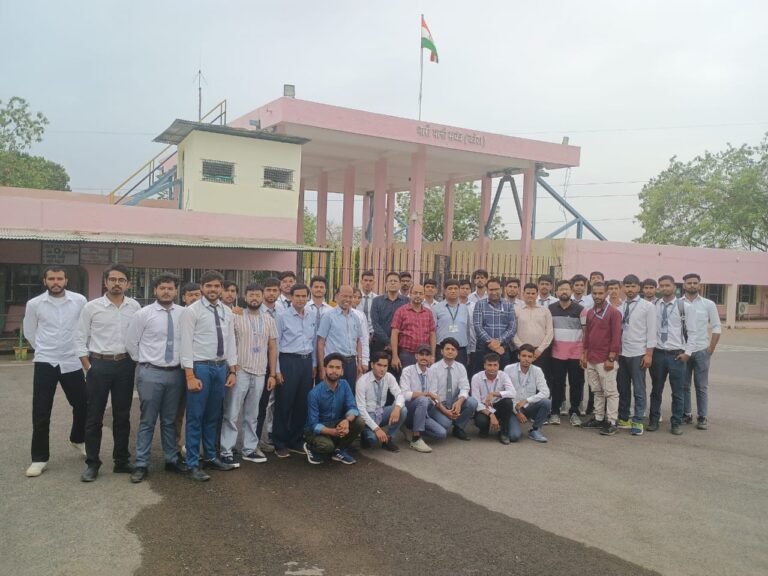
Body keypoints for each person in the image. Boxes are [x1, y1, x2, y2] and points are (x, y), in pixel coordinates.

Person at [76, 264, 141, 482]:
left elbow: (139, 335)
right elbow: (80, 337)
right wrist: (88, 366)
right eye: (112, 279)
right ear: (105, 282)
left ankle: (121, 460)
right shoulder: (92, 307)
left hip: (125, 365)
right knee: (94, 416)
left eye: (121, 280)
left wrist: (135, 361)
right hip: (99, 365)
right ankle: (92, 463)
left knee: (122, 416)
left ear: (128, 283)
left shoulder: (134, 306)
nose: (116, 283)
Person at [23, 266, 88, 478]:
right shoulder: (34, 304)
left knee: (83, 404)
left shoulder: (79, 301)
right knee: (41, 412)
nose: (56, 282)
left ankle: (78, 439)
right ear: (45, 281)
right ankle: (39, 459)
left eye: (59, 278)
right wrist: (44, 348)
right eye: (51, 278)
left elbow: (84, 328)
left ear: (66, 280)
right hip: (46, 362)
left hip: (72, 361)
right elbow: (29, 331)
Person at [125, 272, 186, 483]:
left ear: (176, 291)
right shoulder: (143, 314)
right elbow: (131, 343)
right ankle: (142, 463)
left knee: (170, 420)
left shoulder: (184, 314)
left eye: (170, 288)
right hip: (151, 373)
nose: (166, 292)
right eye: (162, 288)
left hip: (176, 374)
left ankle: (171, 459)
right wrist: (145, 362)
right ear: (155, 290)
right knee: (147, 420)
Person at [179, 270, 238, 482]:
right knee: (196, 416)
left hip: (220, 368)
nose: (213, 289)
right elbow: (185, 343)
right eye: (209, 286)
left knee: (213, 415)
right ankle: (193, 462)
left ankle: (211, 456)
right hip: (200, 368)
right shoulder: (192, 311)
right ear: (202, 288)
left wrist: (232, 370)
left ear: (221, 288)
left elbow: (230, 341)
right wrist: (190, 375)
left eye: (217, 286)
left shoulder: (227, 311)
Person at [220, 283, 278, 465]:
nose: (254, 298)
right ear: (245, 297)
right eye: (251, 295)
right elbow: (229, 344)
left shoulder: (269, 319)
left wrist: (272, 374)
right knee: (232, 412)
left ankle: (249, 449)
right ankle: (226, 450)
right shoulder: (235, 316)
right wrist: (232, 368)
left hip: (260, 372)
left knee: (253, 414)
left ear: (262, 297)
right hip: (240, 371)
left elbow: (272, 347)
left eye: (257, 295)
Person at [648, 275, 698, 435]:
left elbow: (693, 332)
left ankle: (676, 423)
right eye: (661, 286)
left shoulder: (685, 307)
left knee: (678, 392)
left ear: (674, 287)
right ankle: (653, 420)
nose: (664, 288)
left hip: (676, 355)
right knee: (656, 389)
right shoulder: (653, 305)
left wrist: (687, 353)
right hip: (658, 354)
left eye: (667, 285)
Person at [274, 283, 317, 457]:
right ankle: (280, 442)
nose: (300, 299)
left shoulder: (312, 315)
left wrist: (314, 364)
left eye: (303, 296)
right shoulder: (282, 316)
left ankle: (296, 440)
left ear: (308, 297)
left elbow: (314, 342)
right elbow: (276, 345)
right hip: (288, 361)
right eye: (297, 296)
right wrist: (277, 370)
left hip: (306, 362)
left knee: (302, 403)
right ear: (291, 297)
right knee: (284, 402)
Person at [304, 353, 364, 465]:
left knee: (359, 422)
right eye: (331, 367)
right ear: (325, 369)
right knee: (327, 446)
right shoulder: (314, 393)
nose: (334, 371)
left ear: (342, 371)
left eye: (338, 368)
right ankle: (310, 447)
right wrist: (333, 432)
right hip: (317, 430)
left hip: (336, 424)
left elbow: (352, 407)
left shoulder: (345, 385)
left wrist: (346, 421)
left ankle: (339, 450)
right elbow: (313, 425)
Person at [616, 274, 657, 436]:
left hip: (639, 353)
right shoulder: (620, 307)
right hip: (622, 353)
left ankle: (638, 420)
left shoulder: (648, 307)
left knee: (639, 389)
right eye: (627, 286)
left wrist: (649, 354)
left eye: (633, 286)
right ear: (623, 288)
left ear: (639, 288)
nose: (630, 289)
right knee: (623, 388)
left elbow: (652, 332)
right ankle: (624, 417)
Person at [580, 282, 623, 436]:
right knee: (597, 390)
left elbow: (616, 337)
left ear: (606, 294)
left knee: (610, 392)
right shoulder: (590, 312)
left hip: (605, 359)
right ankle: (598, 418)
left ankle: (612, 421)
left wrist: (611, 358)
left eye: (600, 293)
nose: (597, 296)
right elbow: (587, 335)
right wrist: (584, 354)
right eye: (595, 293)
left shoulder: (614, 313)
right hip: (592, 358)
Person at [681, 273, 721, 430]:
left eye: (694, 283)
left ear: (699, 285)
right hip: (684, 351)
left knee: (701, 386)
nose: (692, 285)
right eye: (689, 283)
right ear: (684, 285)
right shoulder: (678, 304)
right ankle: (686, 414)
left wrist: (711, 348)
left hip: (701, 351)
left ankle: (702, 416)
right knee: (684, 385)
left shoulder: (708, 304)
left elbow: (716, 326)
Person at [548, 280, 585, 426]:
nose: (564, 291)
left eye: (567, 289)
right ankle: (555, 412)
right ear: (556, 292)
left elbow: (586, 332)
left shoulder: (580, 310)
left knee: (576, 384)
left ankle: (574, 412)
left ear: (571, 291)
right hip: (557, 354)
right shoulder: (551, 309)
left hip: (576, 354)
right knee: (557, 384)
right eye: (561, 289)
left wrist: (584, 353)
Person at [427, 337, 477, 440]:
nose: (450, 351)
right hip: (438, 404)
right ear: (442, 351)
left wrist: (459, 402)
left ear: (457, 353)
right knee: (446, 424)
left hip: (454, 401)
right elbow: (432, 394)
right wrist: (445, 411)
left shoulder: (461, 367)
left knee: (472, 402)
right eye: (447, 349)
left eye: (453, 349)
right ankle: (438, 419)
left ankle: (458, 427)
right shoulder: (434, 369)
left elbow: (465, 387)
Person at [317, 285, 365, 392]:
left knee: (349, 393)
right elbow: (321, 342)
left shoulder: (355, 317)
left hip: (351, 364)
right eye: (344, 296)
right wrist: (322, 367)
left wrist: (359, 363)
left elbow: (358, 341)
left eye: (350, 297)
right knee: (332, 393)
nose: (347, 299)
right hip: (334, 364)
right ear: (337, 297)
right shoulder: (328, 316)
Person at [355, 352, 406, 452]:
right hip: (368, 415)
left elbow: (400, 394)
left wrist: (397, 408)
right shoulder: (362, 381)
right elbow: (361, 410)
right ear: (372, 365)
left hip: (381, 413)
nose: (382, 369)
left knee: (402, 410)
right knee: (372, 440)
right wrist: (377, 429)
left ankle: (388, 439)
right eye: (379, 365)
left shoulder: (389, 377)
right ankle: (365, 435)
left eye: (385, 366)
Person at [503, 344, 551, 443]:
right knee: (514, 436)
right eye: (524, 356)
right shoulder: (509, 369)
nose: (526, 359)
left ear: (533, 358)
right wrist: (517, 412)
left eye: (529, 356)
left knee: (546, 402)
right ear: (518, 356)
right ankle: (504, 425)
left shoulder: (537, 370)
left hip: (528, 406)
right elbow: (505, 393)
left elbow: (546, 392)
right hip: (512, 408)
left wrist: (527, 401)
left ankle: (535, 430)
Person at [176, 282, 201, 458]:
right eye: (190, 295)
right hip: (178, 369)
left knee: (197, 412)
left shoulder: (207, 314)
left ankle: (194, 447)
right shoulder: (177, 314)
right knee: (177, 411)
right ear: (184, 297)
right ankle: (175, 448)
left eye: (197, 294)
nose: (194, 298)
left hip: (199, 368)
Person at [256, 277, 281, 452]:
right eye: (268, 290)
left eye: (275, 290)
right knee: (252, 406)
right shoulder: (253, 310)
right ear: (263, 292)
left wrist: (275, 370)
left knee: (264, 405)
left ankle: (257, 440)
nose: (271, 293)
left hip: (273, 364)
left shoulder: (283, 312)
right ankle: (244, 443)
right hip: (255, 363)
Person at [398, 345, 438, 452]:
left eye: (427, 355)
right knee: (423, 399)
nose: (424, 357)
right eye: (421, 354)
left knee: (441, 433)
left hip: (425, 408)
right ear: (416, 356)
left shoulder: (432, 372)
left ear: (430, 358)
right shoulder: (407, 370)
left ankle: (410, 428)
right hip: (409, 408)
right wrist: (426, 394)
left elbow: (434, 395)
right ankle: (416, 438)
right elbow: (405, 394)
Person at [470, 353, 517, 444]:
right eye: (489, 365)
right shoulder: (476, 377)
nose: (492, 368)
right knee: (481, 421)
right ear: (484, 365)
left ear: (499, 365)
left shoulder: (503, 375)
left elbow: (513, 393)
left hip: (499, 407)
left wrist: (494, 394)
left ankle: (503, 432)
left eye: (495, 365)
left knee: (508, 402)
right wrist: (491, 415)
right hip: (484, 408)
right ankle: (484, 428)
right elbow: (476, 401)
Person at [472, 278, 517, 374]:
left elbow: (512, 328)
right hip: (483, 348)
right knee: (481, 376)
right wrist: (491, 343)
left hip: (502, 348)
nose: (494, 292)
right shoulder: (480, 304)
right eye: (491, 290)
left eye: (496, 289)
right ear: (487, 290)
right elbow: (477, 326)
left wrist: (499, 342)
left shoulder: (508, 305)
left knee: (502, 376)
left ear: (501, 289)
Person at [513, 283, 553, 387]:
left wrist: (540, 350)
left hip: (540, 352)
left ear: (537, 294)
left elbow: (549, 332)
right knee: (522, 379)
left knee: (540, 380)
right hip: (522, 351)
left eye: (533, 293)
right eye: (528, 293)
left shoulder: (545, 311)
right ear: (523, 294)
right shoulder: (516, 310)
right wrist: (522, 349)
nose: (530, 295)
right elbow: (512, 332)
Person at [391, 284, 436, 370]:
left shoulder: (428, 313)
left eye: (420, 293)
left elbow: (432, 334)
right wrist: (395, 356)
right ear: (410, 294)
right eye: (415, 293)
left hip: (424, 355)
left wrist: (432, 356)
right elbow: (394, 333)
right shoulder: (401, 311)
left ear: (424, 296)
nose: (418, 295)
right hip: (406, 355)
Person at [431, 279, 471, 367]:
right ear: (444, 291)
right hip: (442, 350)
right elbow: (432, 332)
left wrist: (468, 351)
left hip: (460, 350)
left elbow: (467, 331)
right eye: (450, 288)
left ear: (459, 290)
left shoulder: (464, 308)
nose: (453, 291)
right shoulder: (436, 308)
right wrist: (433, 354)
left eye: (455, 288)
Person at [370, 272, 409, 357]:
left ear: (400, 284)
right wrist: (389, 342)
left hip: (401, 345)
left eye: (395, 281)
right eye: (390, 281)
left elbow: (407, 324)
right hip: (380, 344)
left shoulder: (407, 301)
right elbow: (375, 324)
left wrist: (395, 343)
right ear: (386, 284)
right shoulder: (376, 301)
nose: (392, 283)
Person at [350, 288, 371, 368]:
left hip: (357, 355)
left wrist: (364, 360)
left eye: (359, 298)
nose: (356, 300)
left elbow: (364, 338)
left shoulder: (360, 315)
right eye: (354, 297)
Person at [357, 269, 377, 336]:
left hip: (373, 333)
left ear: (374, 282)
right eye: (365, 280)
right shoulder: (354, 298)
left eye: (370, 281)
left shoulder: (377, 299)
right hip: (357, 332)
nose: (368, 283)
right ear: (361, 281)